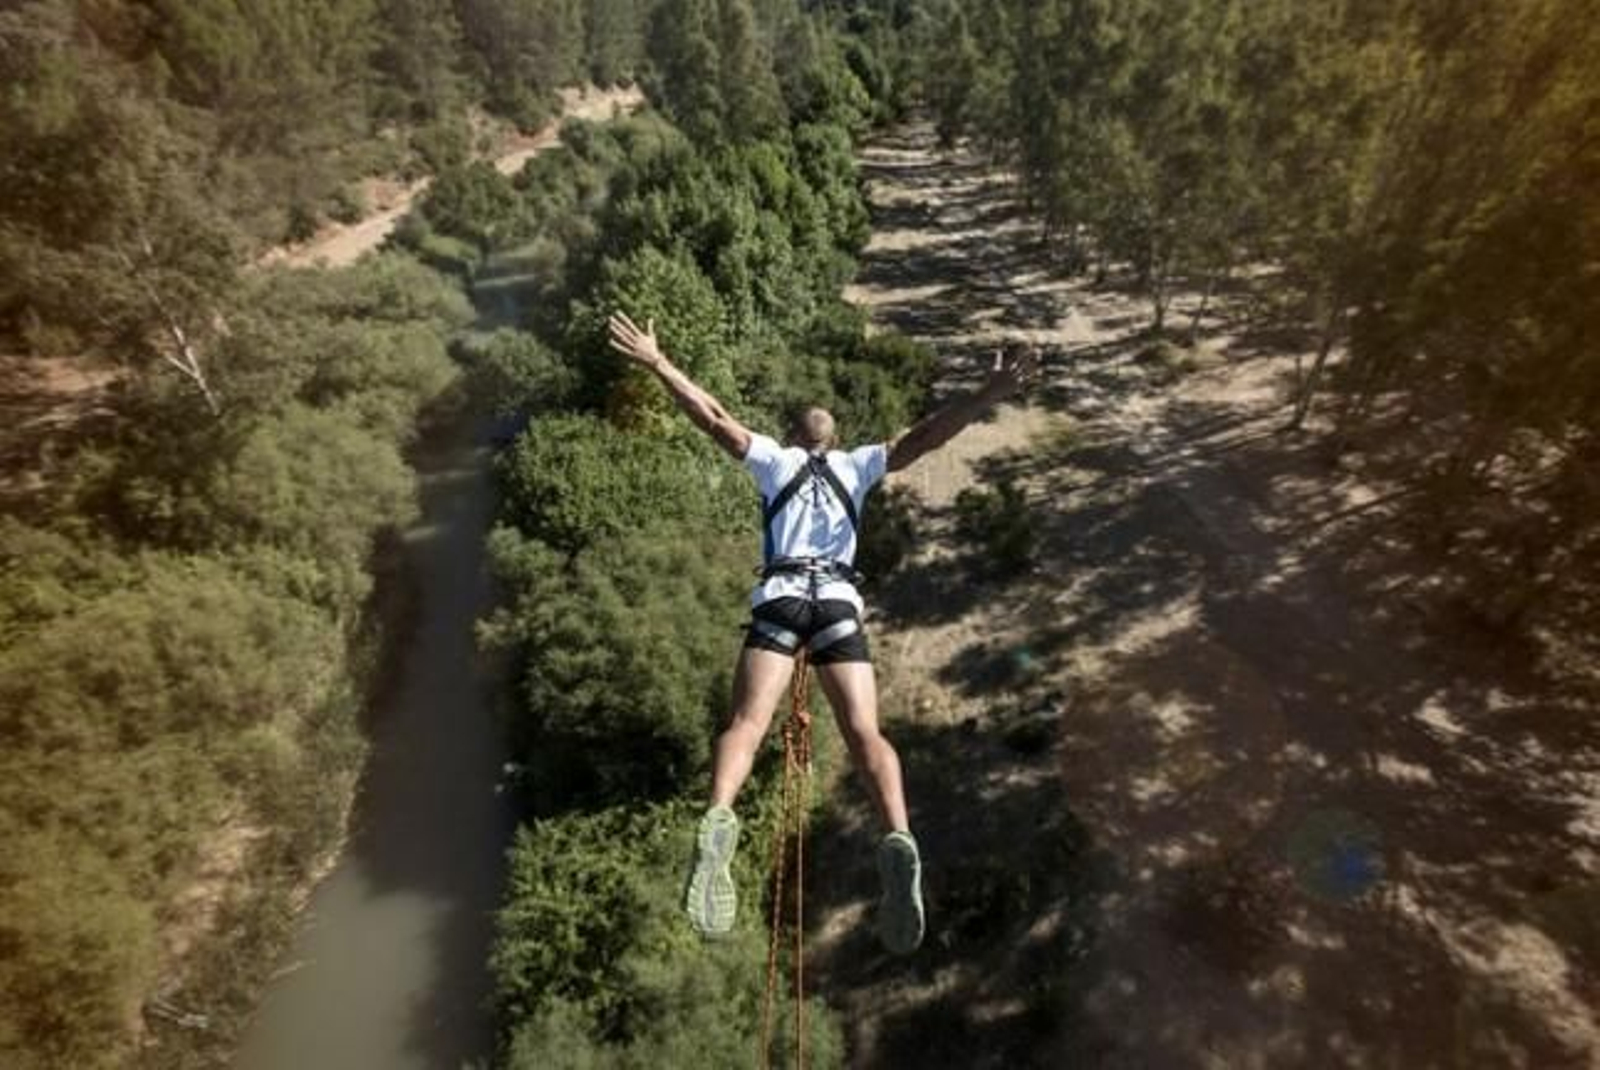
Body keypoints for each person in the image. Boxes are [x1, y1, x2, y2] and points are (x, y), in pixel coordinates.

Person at [606, 311, 1038, 955]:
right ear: (832, 440)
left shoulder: (774, 461)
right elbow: (925, 438)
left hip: (780, 600)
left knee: (747, 727)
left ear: (789, 435)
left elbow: (715, 419)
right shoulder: (860, 465)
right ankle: (897, 833)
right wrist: (983, 395)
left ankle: (720, 813)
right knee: (865, 733)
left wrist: (660, 363)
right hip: (837, 603)